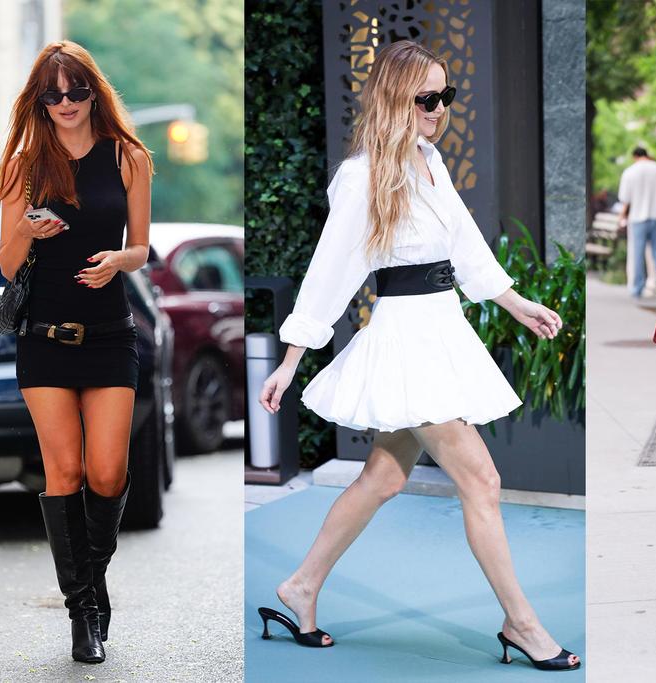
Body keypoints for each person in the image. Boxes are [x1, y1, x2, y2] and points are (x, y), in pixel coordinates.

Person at [257, 40, 579, 672]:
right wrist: (291, 360)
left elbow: (464, 246)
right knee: (481, 479)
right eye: (425, 98)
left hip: (440, 327)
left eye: (445, 96)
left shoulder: (429, 160)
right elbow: (329, 274)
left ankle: (300, 587)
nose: (439, 109)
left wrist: (516, 303)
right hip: (407, 339)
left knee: (385, 476)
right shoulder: (361, 177)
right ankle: (521, 625)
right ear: (393, 98)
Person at [0, 41, 154, 664]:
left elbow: (140, 246)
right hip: (45, 342)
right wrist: (25, 232)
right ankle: (83, 611)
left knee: (107, 473)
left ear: (95, 92)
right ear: (39, 100)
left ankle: (89, 579)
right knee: (63, 473)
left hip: (111, 336)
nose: (64, 103)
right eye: (51, 94)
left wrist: (120, 260)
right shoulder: (23, 166)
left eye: (75, 91)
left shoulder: (130, 157)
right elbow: (9, 267)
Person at [617, 147, 656, 298]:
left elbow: (624, 198)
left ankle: (637, 288)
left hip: (637, 218)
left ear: (635, 156)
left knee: (637, 254)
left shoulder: (630, 171)